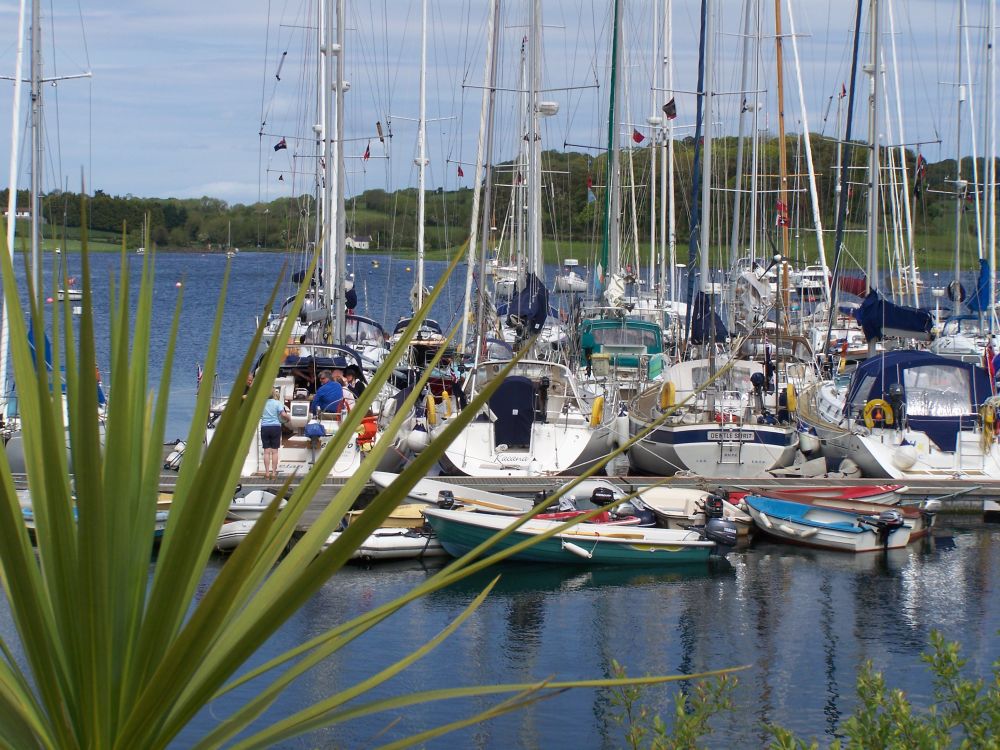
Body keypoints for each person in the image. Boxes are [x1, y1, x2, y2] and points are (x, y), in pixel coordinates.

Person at [260, 388, 289, 480]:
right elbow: (283, 415)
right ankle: (273, 473)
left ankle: (267, 473)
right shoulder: (278, 403)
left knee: (266, 451)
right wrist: (289, 418)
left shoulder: (262, 403)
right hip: (275, 427)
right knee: (275, 451)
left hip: (265, 427)